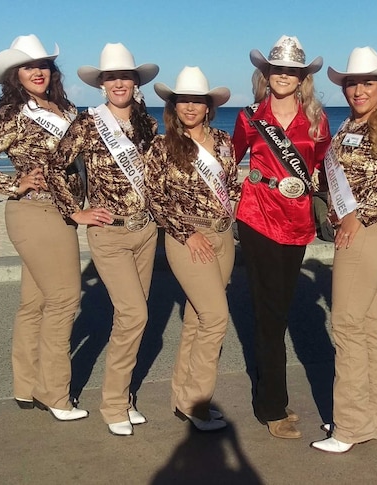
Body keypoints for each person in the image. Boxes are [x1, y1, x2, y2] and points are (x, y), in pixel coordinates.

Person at [0, 34, 87, 421]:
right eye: (29, 66)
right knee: (66, 299)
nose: (38, 71)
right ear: (15, 74)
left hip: (59, 212)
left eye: (43, 65)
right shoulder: (11, 114)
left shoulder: (65, 108)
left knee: (35, 303)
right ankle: (54, 394)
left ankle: (26, 385)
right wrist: (14, 183)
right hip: (35, 212)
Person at [48, 42, 159, 437]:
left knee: (132, 318)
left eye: (125, 76)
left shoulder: (147, 122)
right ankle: (113, 403)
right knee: (135, 315)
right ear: (102, 83)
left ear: (135, 81)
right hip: (108, 235)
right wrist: (74, 212)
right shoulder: (87, 123)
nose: (119, 83)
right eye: (111, 77)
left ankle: (124, 396)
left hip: (145, 232)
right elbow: (54, 168)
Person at [310, 46, 377, 453]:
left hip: (371, 232)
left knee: (347, 327)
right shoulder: (347, 126)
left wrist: (359, 215)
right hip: (357, 231)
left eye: (367, 82)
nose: (357, 90)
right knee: (369, 327)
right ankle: (374, 419)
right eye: (352, 83)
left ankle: (349, 426)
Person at [232, 35, 331, 439]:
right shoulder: (249, 117)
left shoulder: (317, 121)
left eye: (292, 71)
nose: (284, 76)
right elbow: (225, 163)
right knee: (268, 312)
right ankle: (271, 406)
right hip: (256, 217)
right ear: (266, 74)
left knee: (281, 310)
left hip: (297, 222)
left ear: (302, 77)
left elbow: (323, 171)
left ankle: (270, 395)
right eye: (277, 70)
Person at [146, 66, 238, 432]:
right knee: (216, 317)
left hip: (223, 237)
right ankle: (199, 404)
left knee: (197, 320)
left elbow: (232, 186)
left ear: (208, 105)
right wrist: (187, 233)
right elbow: (156, 197)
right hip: (188, 240)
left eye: (197, 100)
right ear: (173, 105)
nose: (190, 106)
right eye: (183, 100)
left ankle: (183, 399)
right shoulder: (162, 145)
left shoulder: (224, 141)